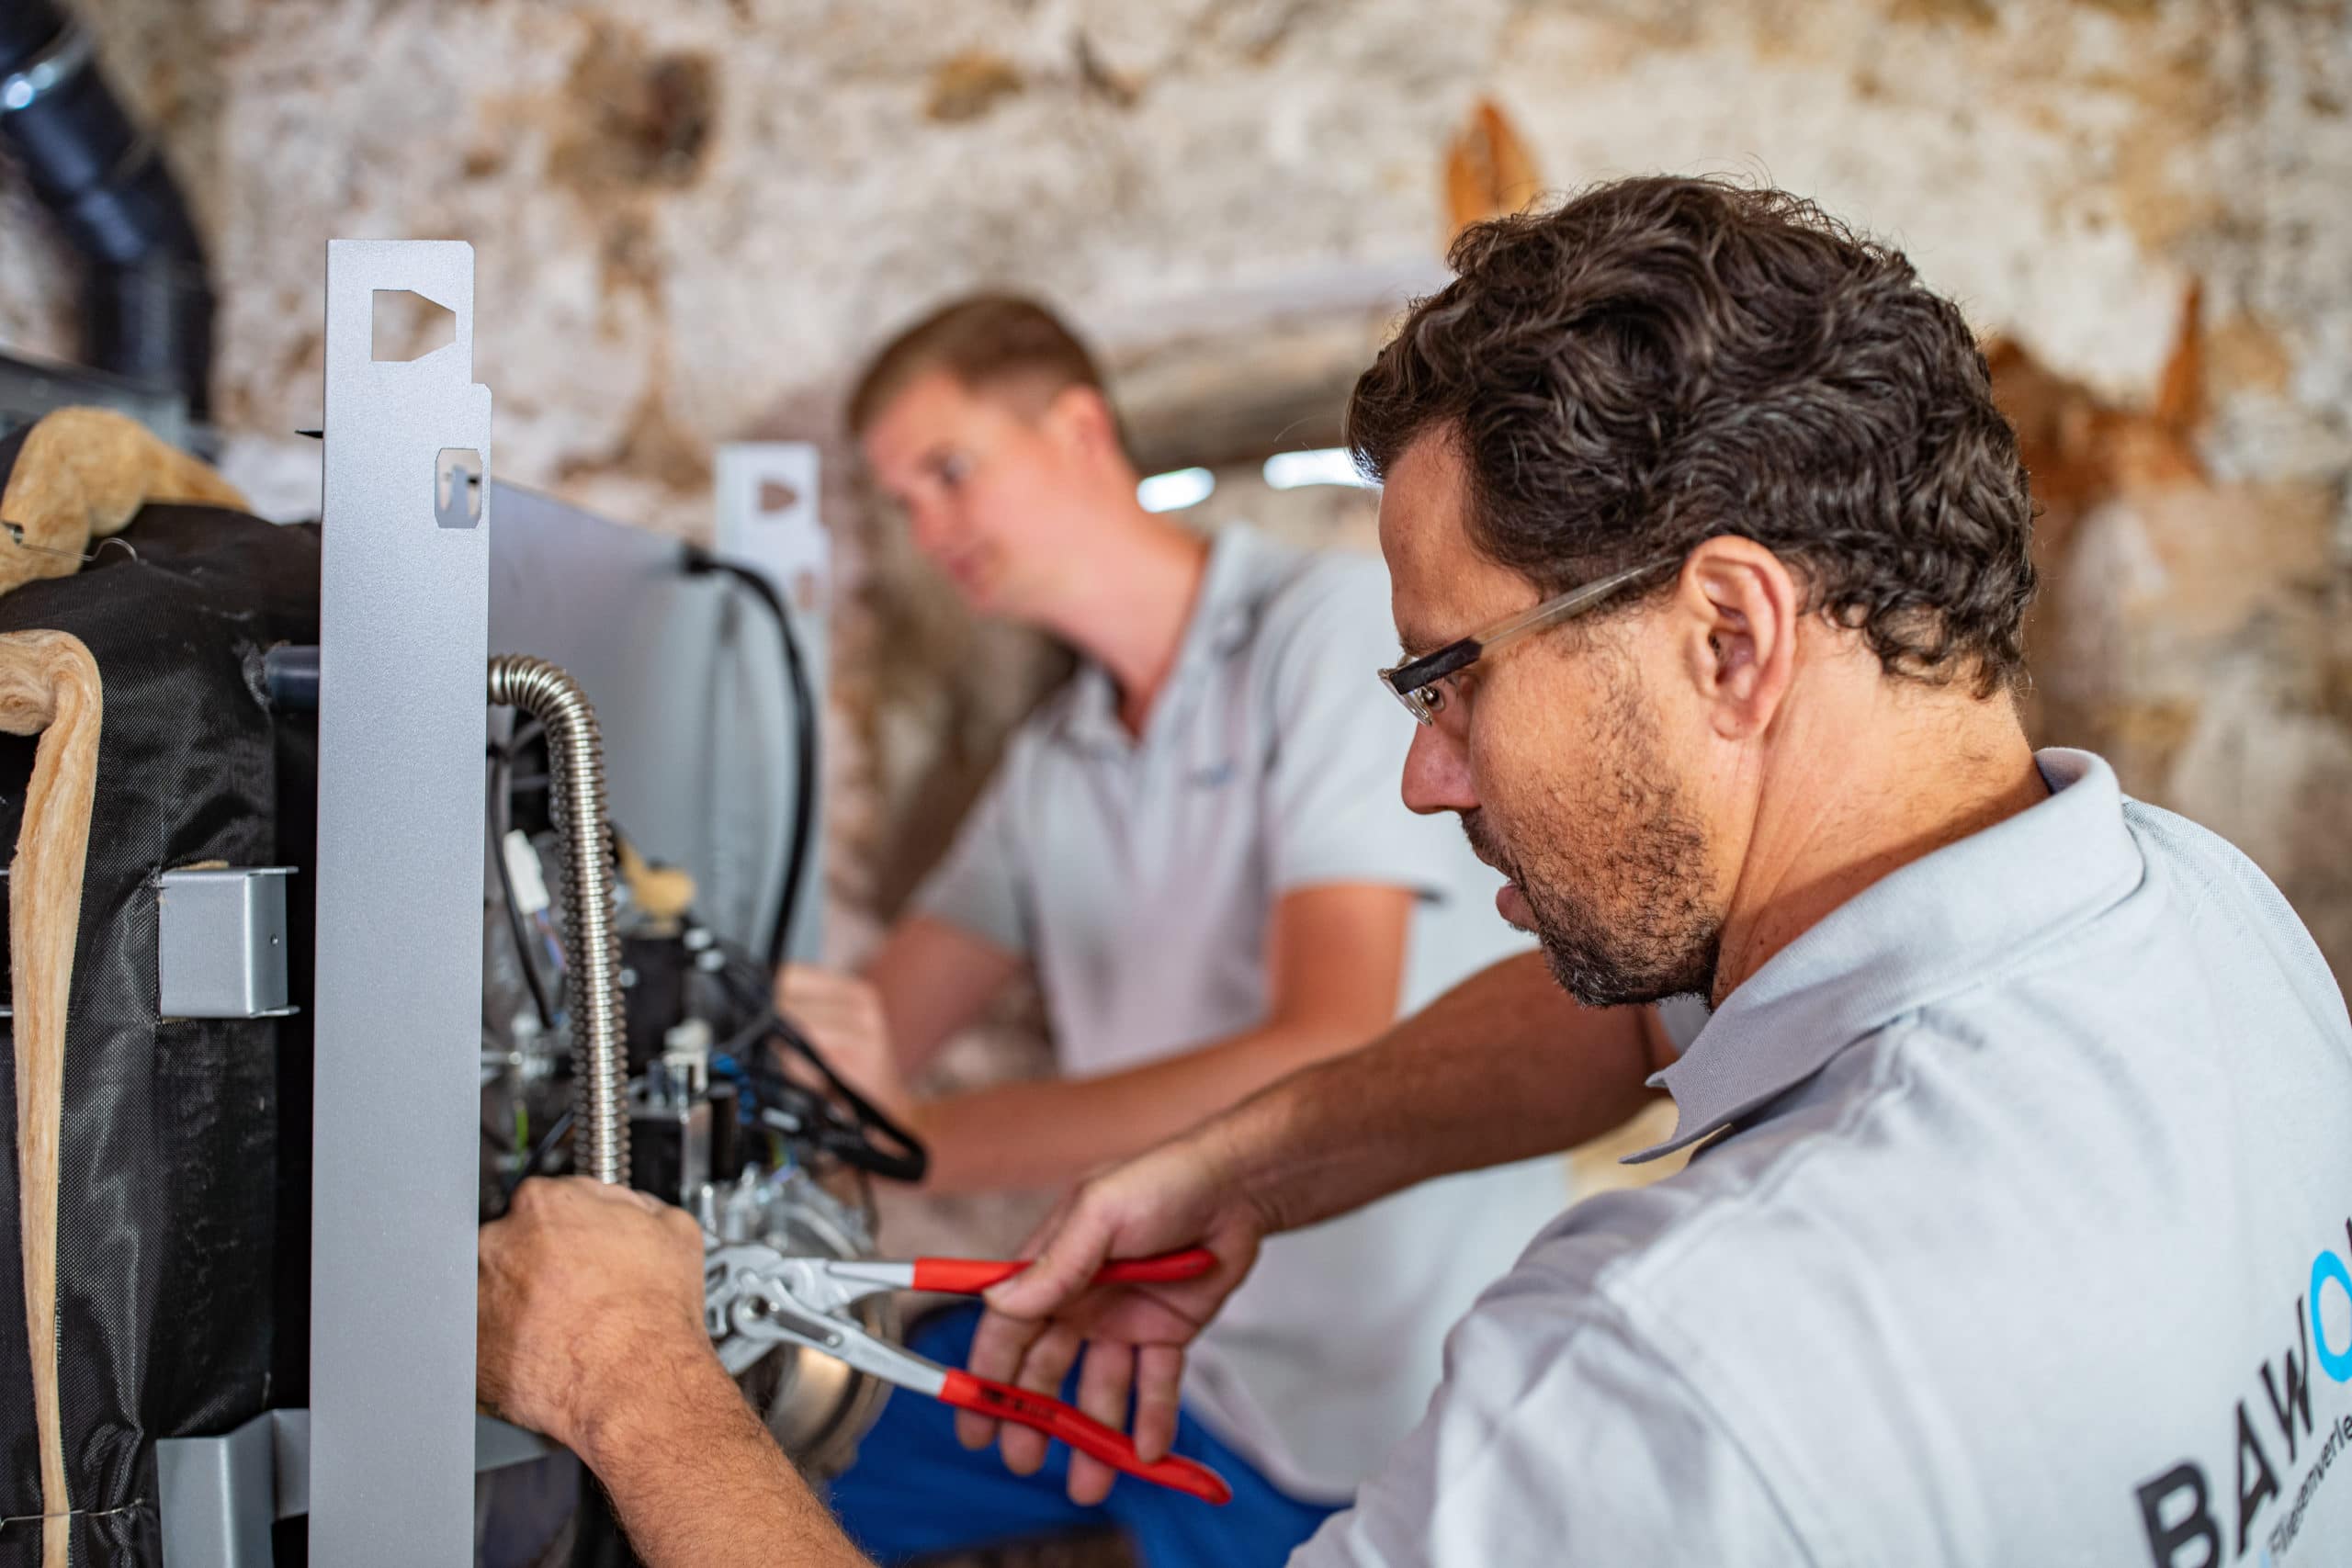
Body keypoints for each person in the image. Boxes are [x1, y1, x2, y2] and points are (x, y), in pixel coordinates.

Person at [480, 175, 2352, 1566]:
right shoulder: (2204, 921)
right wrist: (1258, 1155)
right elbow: (1624, 1026)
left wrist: (629, 1379)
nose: (1423, 770)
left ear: (1726, 634)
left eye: (1451, 674)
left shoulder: (1671, 1376)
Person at [766, 295, 1577, 1564]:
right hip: (1160, 1346)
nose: (931, 530)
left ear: (1079, 428)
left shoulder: (1315, 639)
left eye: (949, 471)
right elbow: (875, 1019)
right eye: (903, 504)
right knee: (776, 1467)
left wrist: (912, 1149)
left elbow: (1323, 1038)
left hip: (1374, 1395)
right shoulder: (1056, 760)